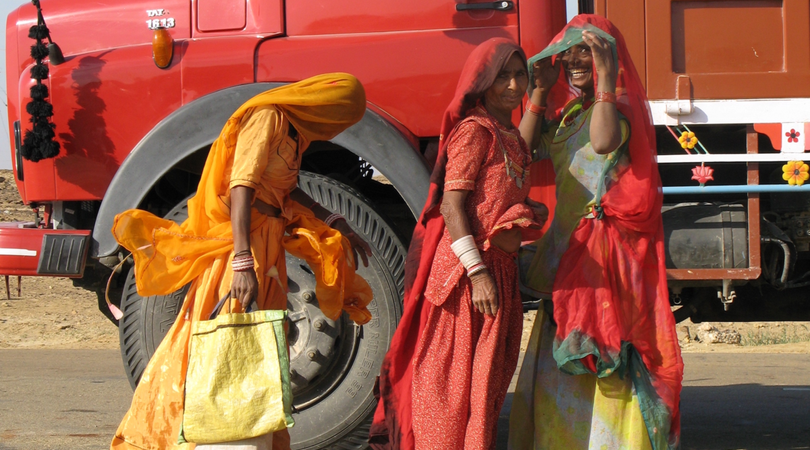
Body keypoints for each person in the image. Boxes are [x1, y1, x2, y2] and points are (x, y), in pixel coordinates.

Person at [109, 73, 374, 450]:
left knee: (263, 341)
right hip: (245, 247)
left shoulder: (295, 134)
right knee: (226, 336)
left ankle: (253, 433)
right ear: (320, 101)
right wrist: (242, 261)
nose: (337, 124)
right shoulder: (269, 117)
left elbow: (285, 187)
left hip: (270, 245)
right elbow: (241, 185)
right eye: (338, 113)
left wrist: (334, 221)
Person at [509, 15, 683, 450]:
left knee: (603, 353)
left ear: (607, 56)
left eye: (585, 51)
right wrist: (539, 91)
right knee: (563, 352)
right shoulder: (570, 114)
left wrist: (606, 78)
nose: (572, 60)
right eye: (568, 53)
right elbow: (522, 151)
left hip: (602, 262)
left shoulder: (616, 109)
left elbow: (604, 143)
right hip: (565, 254)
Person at [369, 37, 548, 450]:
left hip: (498, 278)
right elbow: (452, 207)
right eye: (502, 76)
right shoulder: (474, 132)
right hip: (466, 283)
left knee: (484, 393)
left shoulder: (509, 136)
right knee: (448, 397)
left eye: (520, 75)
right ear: (482, 82)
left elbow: (506, 175)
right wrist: (479, 272)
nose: (513, 85)